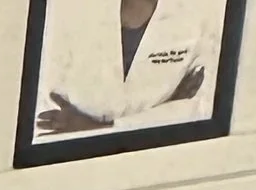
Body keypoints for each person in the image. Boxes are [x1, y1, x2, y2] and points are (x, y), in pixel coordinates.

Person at [28, 0, 226, 143]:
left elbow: (199, 107)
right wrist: (163, 108)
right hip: (70, 162)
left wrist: (97, 128)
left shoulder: (200, 17)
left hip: (160, 156)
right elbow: (49, 107)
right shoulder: (67, 10)